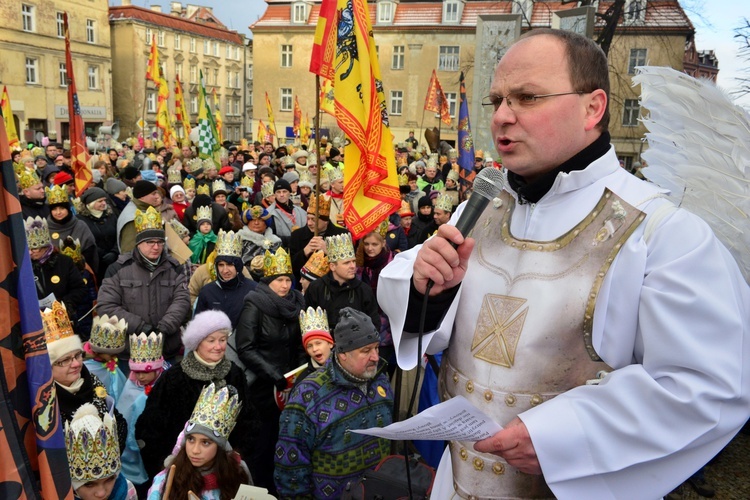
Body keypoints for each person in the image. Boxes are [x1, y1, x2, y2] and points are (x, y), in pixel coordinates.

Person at [377, 28, 750, 499]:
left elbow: (707, 386)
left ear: (593, 108)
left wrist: (563, 435)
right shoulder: (480, 208)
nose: (503, 118)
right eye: (498, 101)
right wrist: (431, 291)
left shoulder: (663, 233)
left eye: (527, 97)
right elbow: (408, 288)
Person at [274, 307, 393, 498]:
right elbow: (290, 465)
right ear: (343, 353)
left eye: (377, 347)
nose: (376, 357)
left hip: (379, 491)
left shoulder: (380, 379)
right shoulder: (308, 395)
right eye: (366, 350)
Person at [136, 310, 258, 480]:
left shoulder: (234, 373)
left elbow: (248, 418)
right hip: (184, 469)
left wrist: (238, 453)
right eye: (211, 340)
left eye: (222, 340)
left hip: (225, 469)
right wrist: (167, 465)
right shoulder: (175, 378)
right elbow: (151, 427)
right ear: (197, 342)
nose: (218, 346)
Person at [234, 247, 305, 494]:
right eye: (279, 280)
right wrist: (273, 374)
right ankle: (260, 489)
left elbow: (299, 342)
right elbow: (246, 347)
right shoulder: (255, 305)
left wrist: (298, 371)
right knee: (264, 443)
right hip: (263, 387)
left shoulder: (296, 304)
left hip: (290, 383)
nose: (285, 285)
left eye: (288, 280)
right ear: (268, 282)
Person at [98, 206, 191, 366]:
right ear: (139, 243)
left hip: (166, 348)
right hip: (130, 351)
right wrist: (141, 327)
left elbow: (182, 301)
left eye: (160, 242)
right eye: (150, 242)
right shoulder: (118, 268)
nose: (156, 247)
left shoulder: (174, 267)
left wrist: (164, 328)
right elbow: (106, 306)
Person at [42, 301, 128, 453]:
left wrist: (110, 453)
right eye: (65, 360)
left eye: (77, 355)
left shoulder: (91, 380)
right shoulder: (43, 400)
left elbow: (118, 420)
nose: (75, 364)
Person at [147, 383, 252, 500]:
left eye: (205, 442)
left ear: (219, 446)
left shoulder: (237, 475)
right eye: (191, 439)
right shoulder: (165, 481)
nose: (195, 450)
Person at [116, 333, 169, 495]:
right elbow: (124, 411)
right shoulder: (132, 385)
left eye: (145, 372)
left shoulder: (166, 386)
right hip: (132, 447)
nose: (140, 376)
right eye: (136, 372)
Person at [304, 233, 380, 333]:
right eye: (347, 263)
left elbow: (374, 326)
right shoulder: (316, 288)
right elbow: (307, 324)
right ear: (332, 266)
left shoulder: (363, 290)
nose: (353, 266)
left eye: (353, 261)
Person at [64, 404, 137, 500]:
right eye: (89, 484)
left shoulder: (127, 491)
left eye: (110, 479)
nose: (101, 493)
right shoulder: (57, 495)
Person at [26, 216, 87, 322]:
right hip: (36, 320)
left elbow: (79, 289)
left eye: (34, 248)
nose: (30, 252)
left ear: (45, 247)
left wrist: (63, 304)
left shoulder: (64, 262)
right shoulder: (25, 267)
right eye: (28, 249)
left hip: (63, 318)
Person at [194, 230, 257, 328]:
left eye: (230, 265)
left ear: (238, 266)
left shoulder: (253, 290)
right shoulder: (207, 291)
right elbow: (198, 326)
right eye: (221, 265)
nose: (225, 270)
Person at [288, 194, 349, 286]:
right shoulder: (297, 235)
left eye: (313, 220)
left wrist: (329, 251)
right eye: (308, 218)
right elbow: (290, 266)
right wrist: (304, 252)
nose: (309, 223)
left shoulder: (342, 235)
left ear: (325, 221)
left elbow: (349, 266)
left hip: (333, 286)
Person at [46, 184, 99, 275]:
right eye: (54, 209)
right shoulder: (45, 228)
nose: (58, 212)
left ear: (68, 209)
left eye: (62, 208)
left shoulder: (80, 225)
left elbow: (91, 254)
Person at [82, 315, 128, 404]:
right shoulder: (87, 367)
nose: (114, 357)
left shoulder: (107, 360)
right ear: (98, 351)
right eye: (111, 354)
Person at [78, 186, 120, 282]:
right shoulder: (80, 220)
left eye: (104, 200)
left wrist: (114, 252)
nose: (104, 203)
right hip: (95, 263)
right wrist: (101, 254)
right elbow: (84, 240)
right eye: (100, 201)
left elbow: (119, 236)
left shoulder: (111, 216)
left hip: (114, 261)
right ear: (90, 203)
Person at [293, 306, 335, 389]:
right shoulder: (303, 380)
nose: (314, 349)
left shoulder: (347, 367)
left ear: (330, 344)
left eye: (318, 343)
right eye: (309, 346)